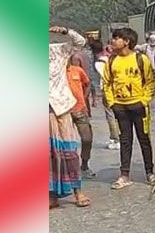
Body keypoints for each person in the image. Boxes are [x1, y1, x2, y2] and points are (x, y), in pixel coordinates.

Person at [103, 27, 155, 189]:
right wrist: (112, 103)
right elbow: (106, 84)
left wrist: (144, 100)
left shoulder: (141, 59)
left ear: (126, 41)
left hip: (139, 107)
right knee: (125, 141)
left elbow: (151, 81)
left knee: (144, 140)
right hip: (120, 107)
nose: (113, 41)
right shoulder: (112, 61)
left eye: (116, 38)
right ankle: (124, 175)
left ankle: (150, 172)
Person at [48, 25, 91, 209]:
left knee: (69, 152)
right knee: (48, 155)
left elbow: (80, 42)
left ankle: (77, 191)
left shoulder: (58, 51)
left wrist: (64, 31)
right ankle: (52, 195)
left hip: (62, 106)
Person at [67, 53, 95, 177]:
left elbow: (87, 83)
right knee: (66, 142)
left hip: (79, 110)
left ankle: (84, 164)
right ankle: (67, 169)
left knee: (87, 138)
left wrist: (84, 97)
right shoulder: (54, 73)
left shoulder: (77, 70)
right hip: (63, 112)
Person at [94, 43, 121, 149]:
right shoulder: (117, 59)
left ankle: (115, 139)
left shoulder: (101, 61)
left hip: (109, 90)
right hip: (118, 89)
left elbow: (104, 77)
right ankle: (120, 137)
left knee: (110, 115)